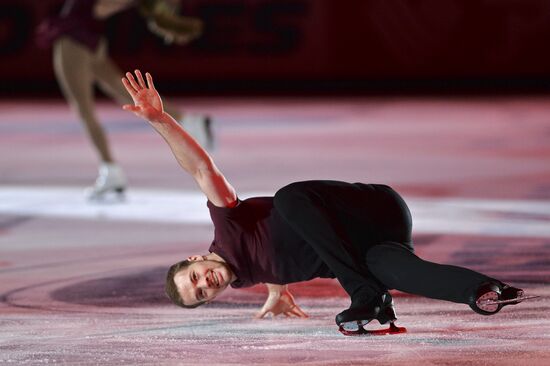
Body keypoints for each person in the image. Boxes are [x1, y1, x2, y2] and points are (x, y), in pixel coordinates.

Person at [121, 70, 529, 333]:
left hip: (370, 208)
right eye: (201, 295)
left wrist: (162, 121)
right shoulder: (247, 274)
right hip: (373, 242)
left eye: (195, 279)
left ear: (197, 259)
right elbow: (269, 255)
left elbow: (201, 170)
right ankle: (483, 290)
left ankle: (364, 295)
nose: (204, 285)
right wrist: (277, 290)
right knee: (396, 271)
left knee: (290, 198)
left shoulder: (228, 228)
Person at [36, 0, 213, 200]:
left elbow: (99, 7)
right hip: (92, 40)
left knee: (84, 109)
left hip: (74, 42)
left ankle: (110, 169)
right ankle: (190, 121)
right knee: (126, 92)